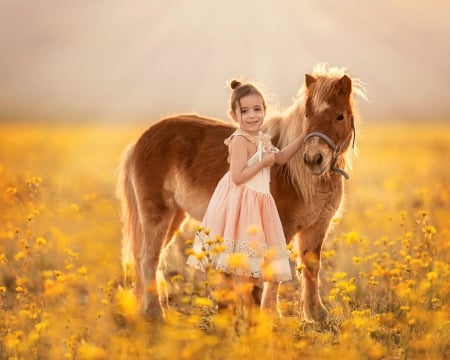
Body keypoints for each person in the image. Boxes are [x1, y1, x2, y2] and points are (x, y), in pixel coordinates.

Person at [186, 79, 304, 311]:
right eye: (245, 111)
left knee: (254, 260)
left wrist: (304, 135)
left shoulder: (263, 138)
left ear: (265, 111)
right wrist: (262, 162)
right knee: (233, 258)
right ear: (234, 115)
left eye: (257, 109)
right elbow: (238, 176)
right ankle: (226, 308)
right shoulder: (239, 140)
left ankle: (250, 311)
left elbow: (280, 158)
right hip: (241, 202)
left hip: (258, 203)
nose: (252, 116)